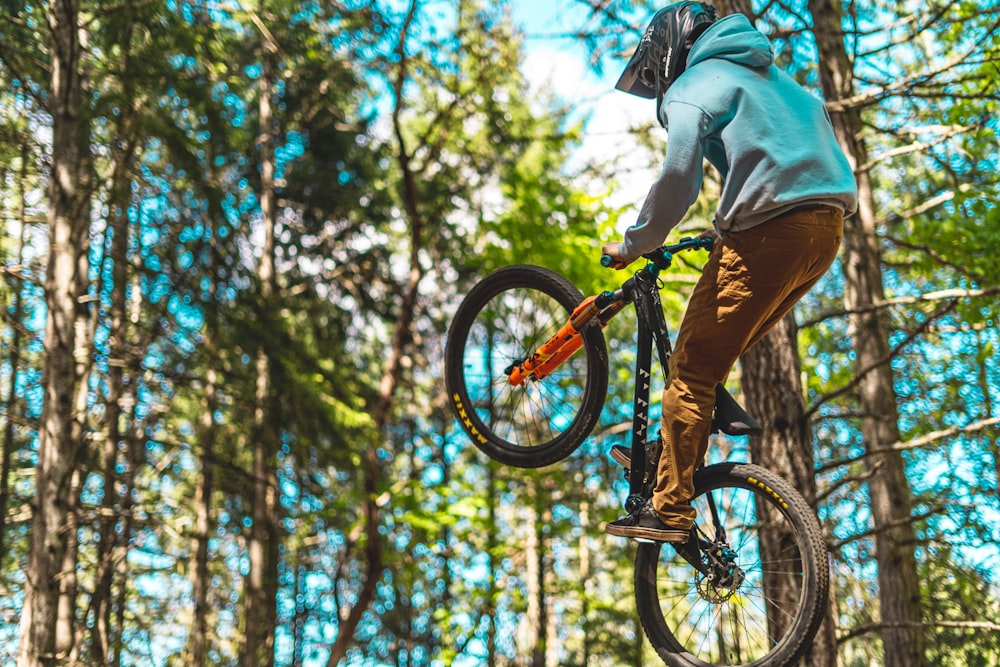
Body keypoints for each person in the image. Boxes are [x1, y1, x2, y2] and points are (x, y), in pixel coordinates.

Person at [601, 2, 858, 542]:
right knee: (716, 350)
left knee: (690, 370)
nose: (658, 85)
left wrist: (638, 242)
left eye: (654, 73)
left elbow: (678, 178)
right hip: (825, 231)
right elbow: (785, 157)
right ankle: (681, 439)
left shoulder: (696, 84)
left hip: (768, 232)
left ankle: (668, 509)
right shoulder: (781, 82)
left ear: (670, 47)